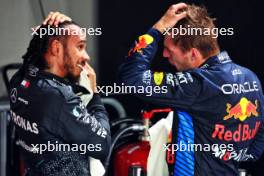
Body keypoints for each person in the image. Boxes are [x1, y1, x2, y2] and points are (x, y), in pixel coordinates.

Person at [119, 3, 264, 176]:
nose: (164, 55)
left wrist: (158, 29)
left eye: (168, 49)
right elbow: (257, 147)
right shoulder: (251, 78)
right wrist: (226, 159)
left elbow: (131, 77)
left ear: (193, 54)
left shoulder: (197, 84)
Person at [9, 12, 111, 176]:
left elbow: (32, 58)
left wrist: (44, 32)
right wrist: (95, 95)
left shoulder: (19, 79)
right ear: (56, 48)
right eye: (80, 46)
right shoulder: (59, 97)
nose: (87, 56)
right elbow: (102, 145)